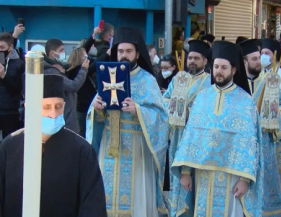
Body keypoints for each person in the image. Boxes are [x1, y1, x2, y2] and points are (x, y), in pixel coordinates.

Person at [171, 40, 261, 217]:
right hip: (203, 175)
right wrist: (186, 172)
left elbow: (250, 143)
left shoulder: (245, 101)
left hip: (232, 175)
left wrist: (245, 180)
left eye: (223, 67)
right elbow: (191, 137)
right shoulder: (202, 97)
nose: (218, 71)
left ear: (234, 70)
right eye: (216, 66)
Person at [86, 26, 169, 216]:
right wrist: (96, 109)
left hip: (137, 149)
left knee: (136, 200)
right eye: (121, 51)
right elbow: (96, 118)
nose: (124, 55)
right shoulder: (107, 74)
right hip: (109, 149)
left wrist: (138, 110)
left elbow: (162, 118)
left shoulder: (147, 80)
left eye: (129, 51)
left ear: (137, 53)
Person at [0, 74, 107, 217]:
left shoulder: (81, 150)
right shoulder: (10, 146)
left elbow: (93, 203)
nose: (53, 114)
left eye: (58, 107)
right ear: (29, 106)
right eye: (46, 107)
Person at [163, 39, 212, 217]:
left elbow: (210, 109)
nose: (192, 61)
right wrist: (172, 107)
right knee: (175, 181)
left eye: (196, 58)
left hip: (197, 139)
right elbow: (166, 99)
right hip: (176, 137)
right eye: (190, 58)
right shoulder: (179, 78)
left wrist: (190, 113)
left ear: (205, 61)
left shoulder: (210, 82)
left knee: (193, 183)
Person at [239, 38, 281, 216]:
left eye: (259, 57)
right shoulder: (235, 85)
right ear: (244, 61)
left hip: (264, 147)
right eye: (254, 59)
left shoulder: (271, 82)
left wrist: (273, 117)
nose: (259, 61)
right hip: (240, 148)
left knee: (265, 192)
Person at [258, 38, 281, 173]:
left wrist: (277, 115)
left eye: (267, 53)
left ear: (275, 55)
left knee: (273, 171)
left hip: (276, 128)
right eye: (262, 53)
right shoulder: (257, 74)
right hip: (258, 125)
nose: (264, 56)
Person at [43, 39, 90, 133]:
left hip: (65, 115)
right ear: (52, 53)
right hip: (64, 117)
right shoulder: (52, 72)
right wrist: (84, 69)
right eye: (61, 50)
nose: (63, 53)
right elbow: (73, 86)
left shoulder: (57, 67)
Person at [65, 47, 95, 138]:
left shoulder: (71, 70)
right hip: (83, 107)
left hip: (80, 106)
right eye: (85, 56)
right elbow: (95, 65)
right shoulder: (79, 70)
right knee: (83, 133)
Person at [0, 33, 24, 139]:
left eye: (2, 47)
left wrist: (3, 76)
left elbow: (17, 90)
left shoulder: (19, 64)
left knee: (8, 144)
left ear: (10, 47)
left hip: (10, 112)